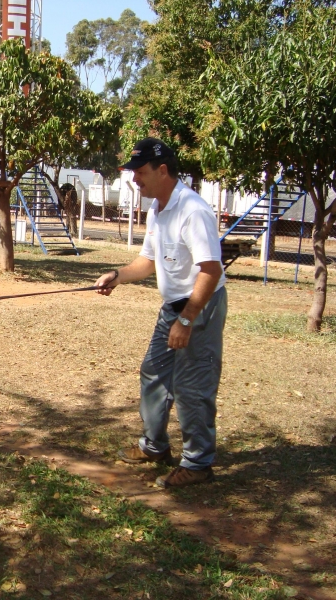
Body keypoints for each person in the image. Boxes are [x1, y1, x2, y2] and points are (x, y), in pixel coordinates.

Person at [95, 138, 227, 488]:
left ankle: (198, 465)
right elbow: (148, 262)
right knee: (153, 372)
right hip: (173, 306)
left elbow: (210, 271)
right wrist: (118, 275)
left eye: (139, 172)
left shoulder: (193, 210)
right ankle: (155, 447)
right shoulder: (158, 208)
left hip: (200, 305)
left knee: (191, 384)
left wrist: (186, 319)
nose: (134, 180)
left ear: (163, 170)